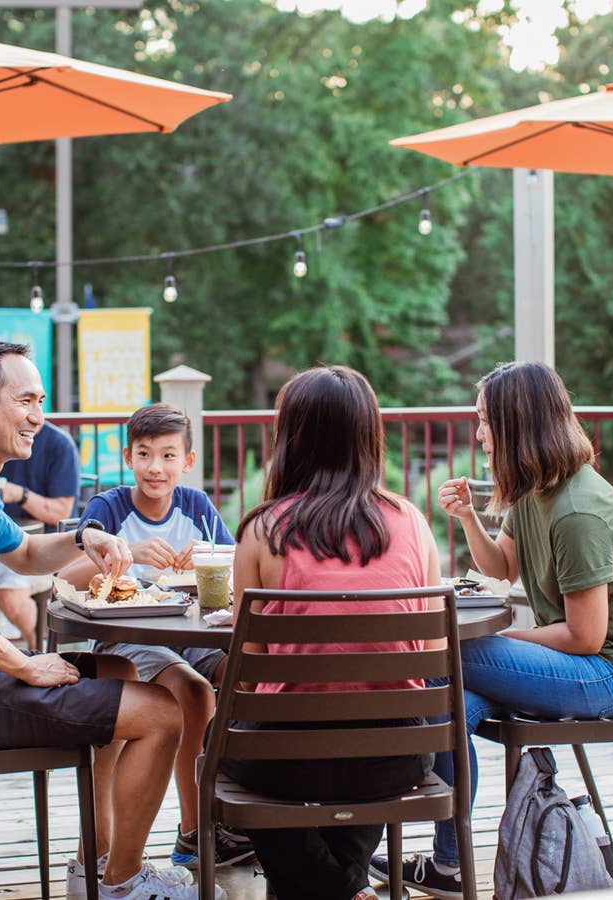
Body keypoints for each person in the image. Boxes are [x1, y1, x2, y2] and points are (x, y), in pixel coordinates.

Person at [0, 342, 214, 900]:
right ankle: (125, 882)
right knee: (163, 714)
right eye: (26, 400)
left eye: (42, 401)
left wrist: (86, 534)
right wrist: (25, 666)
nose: (39, 416)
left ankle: (94, 866)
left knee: (120, 668)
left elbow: (27, 555)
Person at [375, 362, 613, 899]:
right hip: (583, 660)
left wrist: (499, 646)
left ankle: (401, 817)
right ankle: (451, 865)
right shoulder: (535, 490)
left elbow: (585, 637)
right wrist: (467, 519)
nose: (478, 433)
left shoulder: (579, 512)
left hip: (609, 675)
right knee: (446, 696)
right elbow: (503, 566)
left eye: (485, 421)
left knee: (448, 655)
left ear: (517, 424)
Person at [228, 366, 445, 900]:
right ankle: (348, 887)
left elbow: (249, 669)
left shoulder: (262, 529)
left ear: (290, 439)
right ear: (368, 436)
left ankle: (336, 890)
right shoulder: (412, 522)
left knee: (222, 739)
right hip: (398, 758)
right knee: (368, 728)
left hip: (287, 764)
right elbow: (435, 658)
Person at [58, 403, 250, 871]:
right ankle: (195, 832)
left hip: (193, 631)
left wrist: (210, 553)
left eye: (168, 456)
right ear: (129, 458)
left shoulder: (197, 506)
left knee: (254, 674)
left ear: (187, 461)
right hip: (129, 637)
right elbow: (66, 575)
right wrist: (124, 552)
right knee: (193, 692)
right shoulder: (109, 508)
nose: (155, 468)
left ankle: (252, 812)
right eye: (145, 455)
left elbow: (234, 561)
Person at [0, 419, 80, 649]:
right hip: (3, 543)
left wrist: (20, 495)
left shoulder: (60, 445)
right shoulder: (0, 440)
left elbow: (61, 512)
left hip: (48, 545)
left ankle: (39, 649)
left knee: (6, 592)